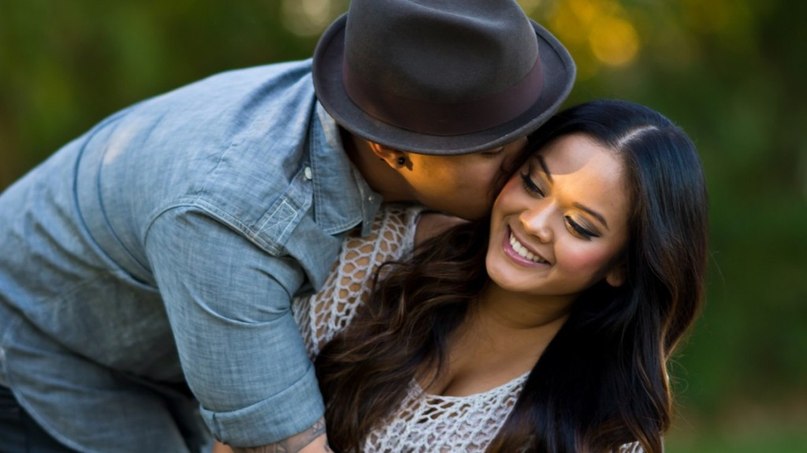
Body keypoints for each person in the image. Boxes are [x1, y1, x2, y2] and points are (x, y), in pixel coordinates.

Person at [0, 0, 575, 452]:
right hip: (46, 357)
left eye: (526, 128)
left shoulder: (391, 95)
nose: (525, 163)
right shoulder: (230, 221)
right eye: (492, 148)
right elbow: (286, 446)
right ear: (392, 149)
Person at [277, 99, 708, 452]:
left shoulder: (604, 434)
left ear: (621, 266)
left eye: (579, 225)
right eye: (533, 185)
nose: (534, 223)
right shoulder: (382, 244)